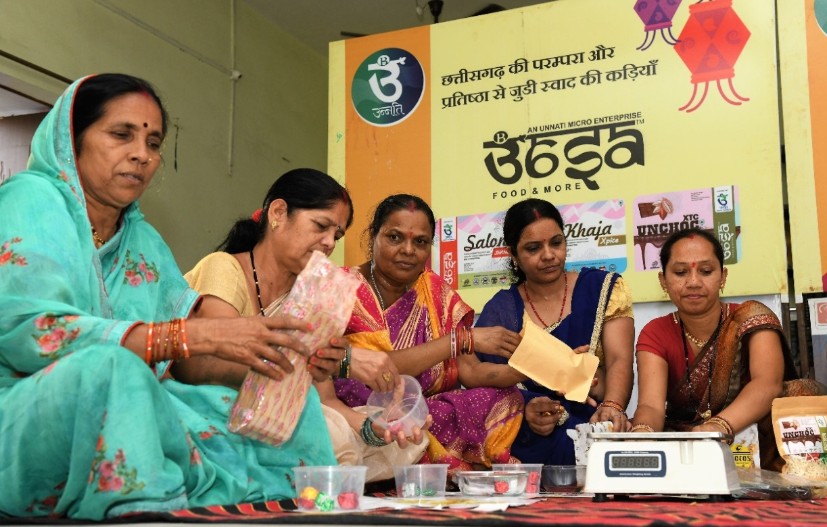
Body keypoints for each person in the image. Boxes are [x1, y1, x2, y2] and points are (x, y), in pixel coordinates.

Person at [0, 74, 343, 520]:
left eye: (153, 143)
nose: (141, 154)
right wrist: (196, 336)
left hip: (141, 396)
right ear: (73, 138)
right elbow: (31, 333)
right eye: (121, 134)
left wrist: (280, 360)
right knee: (113, 368)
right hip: (25, 407)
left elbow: (189, 363)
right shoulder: (30, 200)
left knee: (291, 400)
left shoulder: (143, 240)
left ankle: (297, 509)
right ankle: (145, 513)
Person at [183, 169, 428, 482]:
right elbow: (211, 361)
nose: (328, 243)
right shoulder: (224, 268)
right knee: (320, 427)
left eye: (336, 236)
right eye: (321, 226)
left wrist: (375, 429)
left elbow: (327, 399)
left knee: (403, 440)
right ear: (278, 213)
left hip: (277, 414)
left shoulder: (313, 298)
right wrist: (344, 361)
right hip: (212, 404)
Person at [329, 194, 526, 471]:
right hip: (355, 417)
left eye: (420, 242)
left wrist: (531, 369)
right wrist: (461, 340)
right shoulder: (338, 288)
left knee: (504, 396)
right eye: (395, 237)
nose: (408, 250)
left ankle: (431, 459)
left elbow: (471, 372)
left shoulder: (436, 293)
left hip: (423, 416)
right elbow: (381, 368)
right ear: (373, 237)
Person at [631, 227, 827, 470]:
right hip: (689, 439)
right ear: (663, 281)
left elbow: (767, 384)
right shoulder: (656, 332)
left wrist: (718, 427)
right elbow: (651, 406)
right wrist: (642, 434)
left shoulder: (752, 317)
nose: (693, 282)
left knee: (802, 394)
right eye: (680, 272)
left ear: (723, 276)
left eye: (706, 271)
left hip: (756, 433)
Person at [475, 198, 635, 465]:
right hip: (528, 443)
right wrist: (524, 406)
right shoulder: (501, 311)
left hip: (594, 432)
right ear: (514, 255)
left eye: (556, 243)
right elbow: (484, 383)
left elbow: (620, 359)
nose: (549, 255)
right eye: (533, 248)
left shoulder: (602, 289)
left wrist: (612, 407)